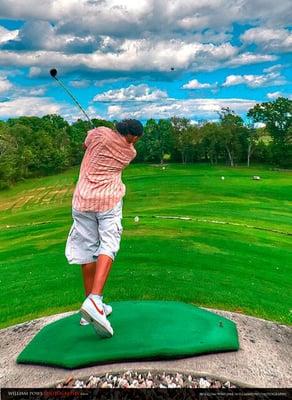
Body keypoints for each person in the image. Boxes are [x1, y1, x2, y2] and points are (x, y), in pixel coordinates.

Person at [65, 119, 143, 338]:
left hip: (82, 201)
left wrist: (97, 132)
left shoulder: (98, 133)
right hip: (108, 202)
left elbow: (85, 145)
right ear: (133, 137)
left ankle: (87, 311)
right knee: (108, 245)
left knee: (87, 251)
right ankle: (95, 300)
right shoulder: (130, 152)